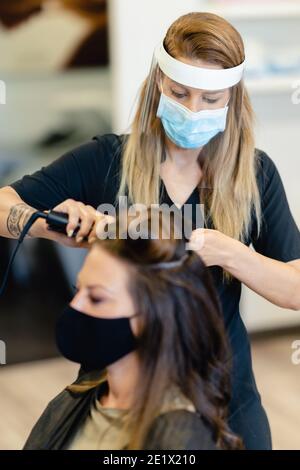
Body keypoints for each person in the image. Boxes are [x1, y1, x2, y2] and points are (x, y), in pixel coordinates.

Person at [0, 12, 299, 449]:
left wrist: (231, 253)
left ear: (232, 98)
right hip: (119, 394)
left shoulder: (254, 175)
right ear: (159, 82)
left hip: (223, 395)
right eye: (180, 93)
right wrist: (49, 227)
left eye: (211, 98)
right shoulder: (107, 159)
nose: (193, 110)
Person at [22, 208, 242, 450]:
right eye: (78, 290)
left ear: (152, 316)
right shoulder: (85, 394)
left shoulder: (180, 438)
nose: (75, 306)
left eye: (96, 298)